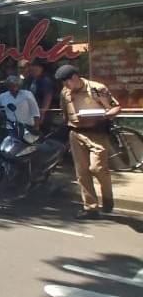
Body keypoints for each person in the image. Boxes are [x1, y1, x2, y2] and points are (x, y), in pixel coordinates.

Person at [55, 64, 121, 219]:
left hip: (97, 133)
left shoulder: (97, 89)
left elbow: (116, 108)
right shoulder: (65, 92)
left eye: (66, 82)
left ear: (75, 77)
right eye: (63, 83)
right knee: (82, 172)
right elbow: (65, 113)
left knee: (97, 168)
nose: (65, 85)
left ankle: (107, 197)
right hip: (76, 134)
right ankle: (90, 208)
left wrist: (101, 116)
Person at [23, 60, 56, 127]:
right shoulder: (31, 80)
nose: (32, 68)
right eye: (31, 66)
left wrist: (42, 113)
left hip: (42, 115)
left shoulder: (45, 80)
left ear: (41, 68)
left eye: (34, 66)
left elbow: (48, 97)